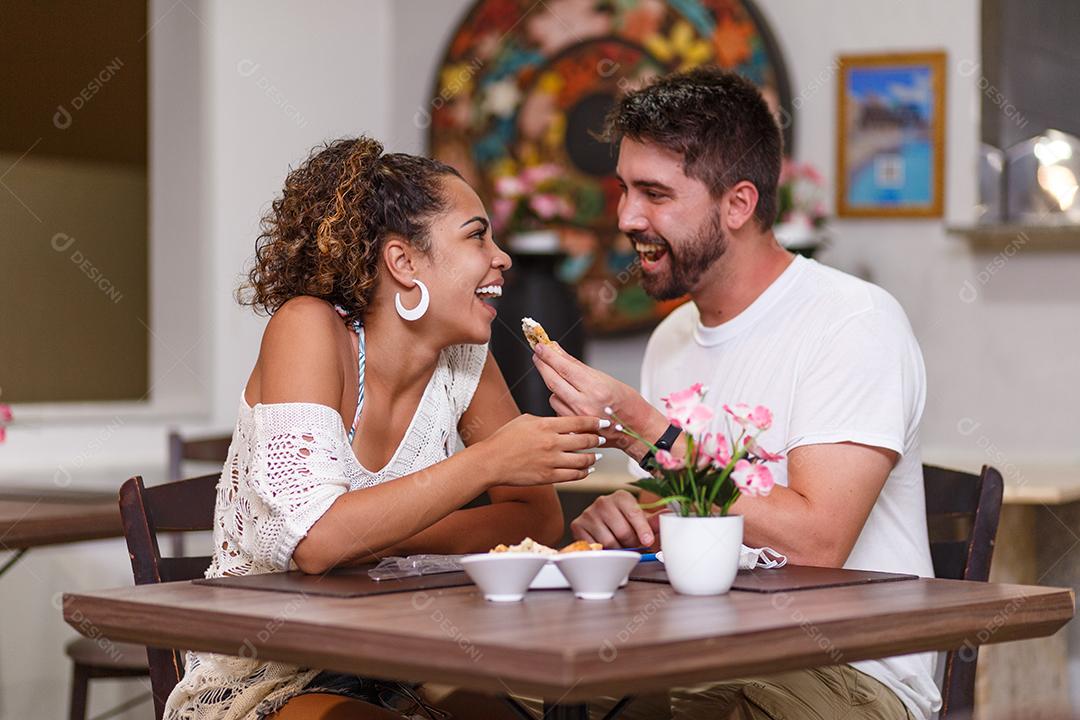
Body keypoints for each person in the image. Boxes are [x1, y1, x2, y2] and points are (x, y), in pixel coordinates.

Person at [532, 67, 939, 720]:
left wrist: (653, 435)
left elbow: (814, 543)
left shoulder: (851, 322)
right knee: (511, 690)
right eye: (625, 189)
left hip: (848, 671)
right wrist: (631, 515)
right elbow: (705, 507)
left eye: (655, 193)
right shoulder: (672, 340)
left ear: (739, 204)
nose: (627, 217)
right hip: (705, 650)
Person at [165, 137, 605, 720]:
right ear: (404, 263)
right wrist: (490, 460)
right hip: (272, 675)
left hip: (409, 662)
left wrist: (379, 538)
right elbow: (318, 541)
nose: (501, 258)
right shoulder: (308, 328)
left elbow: (537, 518)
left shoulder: (465, 359)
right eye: (477, 236)